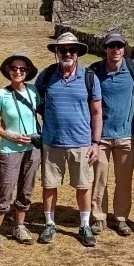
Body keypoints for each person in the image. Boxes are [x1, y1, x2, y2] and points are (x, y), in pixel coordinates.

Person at [35, 32, 102, 247]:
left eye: (71, 50)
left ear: (78, 53)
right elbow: (34, 104)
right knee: (49, 184)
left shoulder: (89, 77)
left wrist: (96, 142)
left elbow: (97, 112)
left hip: (81, 142)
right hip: (52, 141)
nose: (67, 53)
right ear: (56, 52)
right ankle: (49, 223)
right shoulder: (46, 77)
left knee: (83, 186)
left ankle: (84, 225)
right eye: (62, 50)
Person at [89, 30, 134, 236]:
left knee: (124, 180)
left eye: (119, 46)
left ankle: (121, 218)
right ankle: (99, 217)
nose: (116, 50)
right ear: (105, 49)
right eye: (111, 46)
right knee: (99, 179)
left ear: (124, 48)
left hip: (125, 135)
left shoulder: (133, 68)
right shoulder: (94, 71)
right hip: (100, 137)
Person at [0, 53, 42, 253]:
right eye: (14, 68)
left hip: (33, 148)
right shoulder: (1, 94)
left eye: (22, 69)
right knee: (6, 190)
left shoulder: (34, 91)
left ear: (27, 72)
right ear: (8, 71)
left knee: (26, 190)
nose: (18, 72)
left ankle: (19, 226)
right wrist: (11, 136)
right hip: (10, 149)